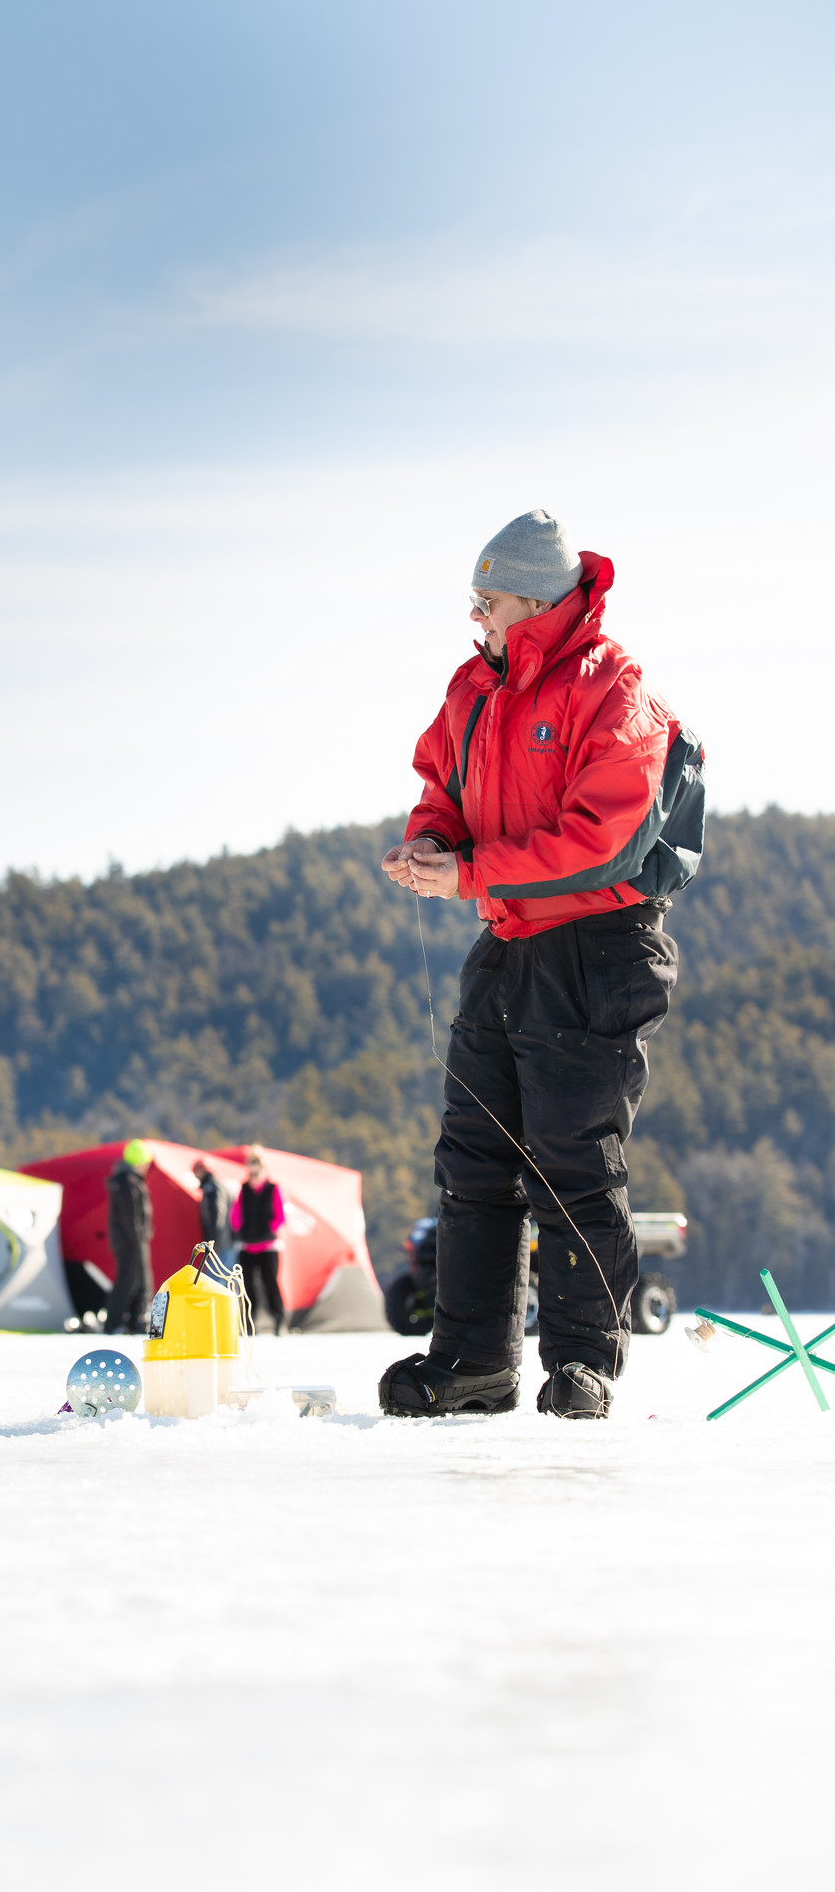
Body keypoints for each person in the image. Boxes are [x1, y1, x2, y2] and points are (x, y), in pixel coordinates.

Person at [378, 510, 704, 1421]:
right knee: (473, 1162)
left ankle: (582, 1364)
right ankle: (472, 1362)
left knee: (570, 1160)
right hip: (507, 944)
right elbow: (438, 787)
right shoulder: (468, 688)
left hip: (599, 948)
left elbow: (601, 840)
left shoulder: (614, 689)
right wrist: (431, 842)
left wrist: (470, 871)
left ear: (535, 599)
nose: (474, 618)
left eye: (487, 601)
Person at [230, 1147, 288, 1334]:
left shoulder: (273, 1189)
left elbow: (281, 1216)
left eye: (256, 1170)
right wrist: (240, 1229)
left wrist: (269, 1230)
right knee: (247, 1285)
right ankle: (249, 1321)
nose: (253, 1175)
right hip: (247, 1244)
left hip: (268, 1246)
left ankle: (278, 1318)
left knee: (270, 1282)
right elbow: (236, 1213)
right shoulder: (244, 1189)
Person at [104, 1139, 154, 1335]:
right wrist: (138, 1239)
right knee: (136, 1280)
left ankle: (133, 1322)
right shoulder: (129, 1182)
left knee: (133, 1280)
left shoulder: (125, 1180)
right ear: (140, 1161)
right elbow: (131, 1216)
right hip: (132, 1241)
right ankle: (127, 1322)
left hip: (128, 1240)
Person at [192, 1158, 229, 1254]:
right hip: (223, 1238)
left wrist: (213, 1239)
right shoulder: (212, 1185)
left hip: (222, 1239)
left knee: (217, 1267)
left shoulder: (211, 1187)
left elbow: (217, 1211)